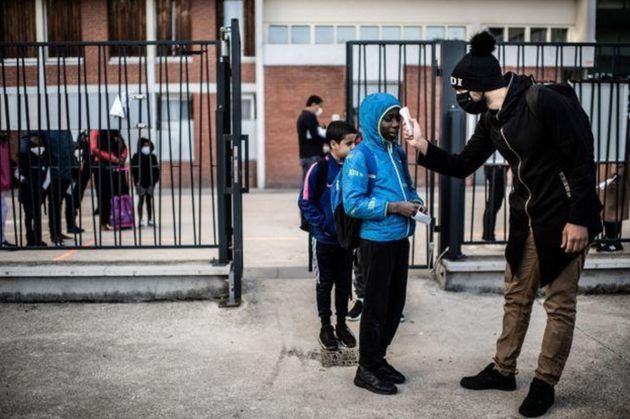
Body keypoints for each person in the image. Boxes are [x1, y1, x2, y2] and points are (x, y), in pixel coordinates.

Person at [406, 31, 602, 417]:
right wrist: (423, 147)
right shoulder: (493, 119)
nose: (460, 98)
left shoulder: (542, 101)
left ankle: (544, 383)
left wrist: (580, 219)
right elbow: (463, 165)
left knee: (559, 305)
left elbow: (582, 159)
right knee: (516, 296)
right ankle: (503, 369)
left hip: (563, 218)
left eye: (462, 91)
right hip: (526, 218)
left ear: (479, 87)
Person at [342, 93, 424, 396]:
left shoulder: (397, 153)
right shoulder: (360, 156)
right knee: (375, 308)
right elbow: (353, 203)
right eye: (387, 119)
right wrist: (393, 207)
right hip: (375, 243)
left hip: (399, 238)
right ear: (372, 121)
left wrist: (415, 202)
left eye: (396, 118)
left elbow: (408, 187)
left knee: (394, 305)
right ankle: (365, 369)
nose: (394, 124)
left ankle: (378, 359)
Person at [298, 121, 358, 351]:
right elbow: (305, 201)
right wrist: (324, 225)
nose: (353, 147)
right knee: (325, 284)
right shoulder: (319, 169)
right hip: (324, 240)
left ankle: (342, 325)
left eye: (355, 142)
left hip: (346, 241)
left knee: (344, 284)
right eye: (348, 143)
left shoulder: (354, 168)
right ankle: (326, 327)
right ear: (333, 144)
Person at [90, 130, 128, 231]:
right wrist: (112, 158)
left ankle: (119, 221)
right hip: (102, 167)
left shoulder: (116, 131)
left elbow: (124, 148)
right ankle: (104, 223)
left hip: (117, 166)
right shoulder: (95, 131)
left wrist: (122, 157)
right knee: (104, 195)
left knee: (119, 193)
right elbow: (94, 148)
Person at [17, 134, 50, 247]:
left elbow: (48, 172)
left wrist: (43, 187)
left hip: (37, 190)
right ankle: (31, 239)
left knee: (36, 216)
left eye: (37, 137)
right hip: (28, 190)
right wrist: (24, 180)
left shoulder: (44, 154)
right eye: (33, 138)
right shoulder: (24, 154)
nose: (35, 140)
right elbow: (17, 172)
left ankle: (36, 239)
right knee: (29, 215)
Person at [46, 130, 74, 245]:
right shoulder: (48, 130)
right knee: (54, 203)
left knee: (59, 203)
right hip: (54, 173)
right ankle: (54, 233)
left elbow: (70, 149)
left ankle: (58, 231)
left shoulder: (66, 131)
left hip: (66, 171)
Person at [65, 131, 92, 235]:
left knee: (75, 202)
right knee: (71, 201)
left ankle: (72, 224)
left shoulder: (85, 149)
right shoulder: (75, 147)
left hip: (80, 179)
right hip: (73, 179)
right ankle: (70, 225)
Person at [131, 137, 160, 227]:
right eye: (145, 145)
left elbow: (156, 171)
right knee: (141, 200)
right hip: (140, 182)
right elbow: (134, 171)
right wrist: (136, 182)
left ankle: (150, 219)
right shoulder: (136, 157)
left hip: (150, 182)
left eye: (148, 145)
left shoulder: (153, 157)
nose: (147, 147)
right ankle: (140, 219)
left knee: (149, 200)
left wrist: (154, 182)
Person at [297, 95, 326, 181]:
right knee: (312, 183)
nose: (320, 109)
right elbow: (315, 135)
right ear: (313, 104)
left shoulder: (302, 117)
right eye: (320, 106)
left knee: (307, 182)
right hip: (312, 155)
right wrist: (326, 141)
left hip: (305, 155)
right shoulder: (310, 117)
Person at [482, 153, 508, 241]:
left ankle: (488, 234)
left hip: (496, 166)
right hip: (497, 166)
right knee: (494, 202)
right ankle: (488, 235)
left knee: (494, 202)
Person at [0, 131, 16, 248]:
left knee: (4, 210)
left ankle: (2, 239)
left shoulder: (4, 145)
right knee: (2, 211)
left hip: (4, 184)